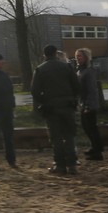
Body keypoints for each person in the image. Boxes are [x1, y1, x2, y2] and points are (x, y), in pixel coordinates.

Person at [31, 44, 80, 175]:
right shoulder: (67, 67)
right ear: (56, 53)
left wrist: (43, 101)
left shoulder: (40, 70)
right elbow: (76, 86)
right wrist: (72, 98)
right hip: (68, 106)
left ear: (44, 55)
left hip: (51, 108)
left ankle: (60, 165)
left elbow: (34, 91)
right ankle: (72, 165)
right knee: (69, 135)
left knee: (56, 137)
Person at [74, 47, 104, 160]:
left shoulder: (88, 71)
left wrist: (88, 105)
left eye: (79, 56)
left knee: (91, 128)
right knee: (86, 127)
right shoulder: (80, 70)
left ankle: (98, 151)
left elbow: (92, 89)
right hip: (83, 102)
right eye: (76, 56)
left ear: (86, 58)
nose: (77, 58)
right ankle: (94, 147)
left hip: (89, 104)